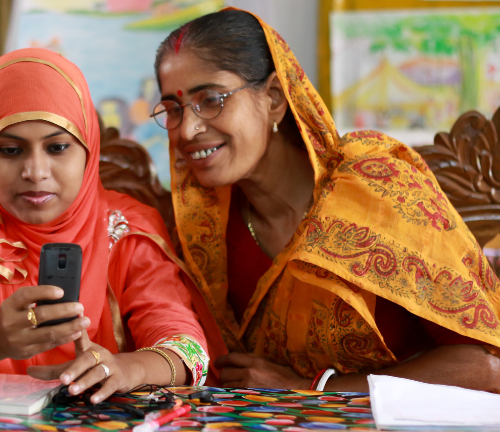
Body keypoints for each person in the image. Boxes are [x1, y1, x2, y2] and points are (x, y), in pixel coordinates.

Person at [153, 8, 500, 392]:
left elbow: (484, 368)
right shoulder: (204, 234)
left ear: (273, 98)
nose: (187, 129)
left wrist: (316, 388)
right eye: (173, 109)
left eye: (211, 99)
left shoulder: (376, 187)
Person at [0, 48, 210, 403]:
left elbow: (188, 350)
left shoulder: (127, 228)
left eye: (57, 148)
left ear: (89, 149)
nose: (36, 172)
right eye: (11, 150)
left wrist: (126, 369)